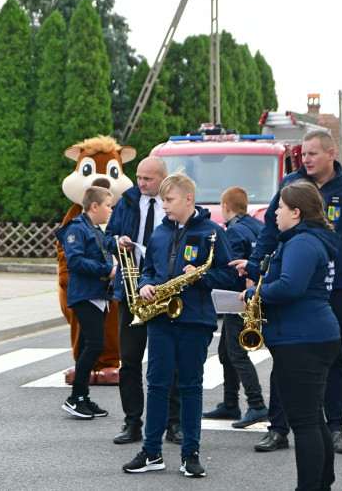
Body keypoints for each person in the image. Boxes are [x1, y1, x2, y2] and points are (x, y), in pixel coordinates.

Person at [242, 130, 342, 455]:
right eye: (303, 154)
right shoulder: (291, 184)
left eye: (312, 154)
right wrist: (253, 270)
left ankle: (335, 429)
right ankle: (278, 429)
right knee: (282, 356)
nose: (305, 159)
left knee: (334, 357)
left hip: (334, 289)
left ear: (331, 154)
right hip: (291, 287)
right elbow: (269, 231)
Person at [121, 171, 238, 479]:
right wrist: (146, 284)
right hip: (160, 318)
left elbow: (229, 276)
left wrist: (201, 275)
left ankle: (190, 453)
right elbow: (148, 270)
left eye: (169, 200)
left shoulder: (212, 233)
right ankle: (151, 452)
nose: (165, 206)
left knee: (190, 386)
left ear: (189, 199)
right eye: (162, 200)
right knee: (157, 384)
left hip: (195, 321)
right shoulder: (159, 233)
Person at [237, 180, 341, 491]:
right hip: (306, 336)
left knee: (304, 422)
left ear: (296, 212)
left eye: (280, 207)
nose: (275, 213)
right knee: (312, 417)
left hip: (303, 339)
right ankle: (322, 482)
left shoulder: (302, 243)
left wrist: (255, 292)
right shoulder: (302, 239)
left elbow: (290, 287)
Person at [104, 156, 182, 445]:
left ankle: (173, 423)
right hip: (131, 291)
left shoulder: (171, 201)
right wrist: (117, 241)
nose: (141, 183)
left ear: (163, 178)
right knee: (130, 361)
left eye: (148, 178)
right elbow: (108, 236)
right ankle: (132, 422)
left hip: (164, 291)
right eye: (138, 177)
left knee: (169, 362)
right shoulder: (128, 200)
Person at [202, 186, 268, 429]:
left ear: (225, 208)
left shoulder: (232, 232)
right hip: (253, 299)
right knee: (225, 352)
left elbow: (231, 271)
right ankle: (230, 403)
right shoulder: (258, 226)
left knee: (236, 353)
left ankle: (257, 404)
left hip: (236, 300)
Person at [57, 185, 117, 419]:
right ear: (94, 206)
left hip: (97, 296)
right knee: (95, 345)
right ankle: (74, 398)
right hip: (84, 296)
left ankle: (81, 396)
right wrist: (108, 271)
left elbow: (104, 250)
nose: (110, 210)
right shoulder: (76, 229)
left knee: (85, 346)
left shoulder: (96, 230)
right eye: (108, 206)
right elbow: (75, 261)